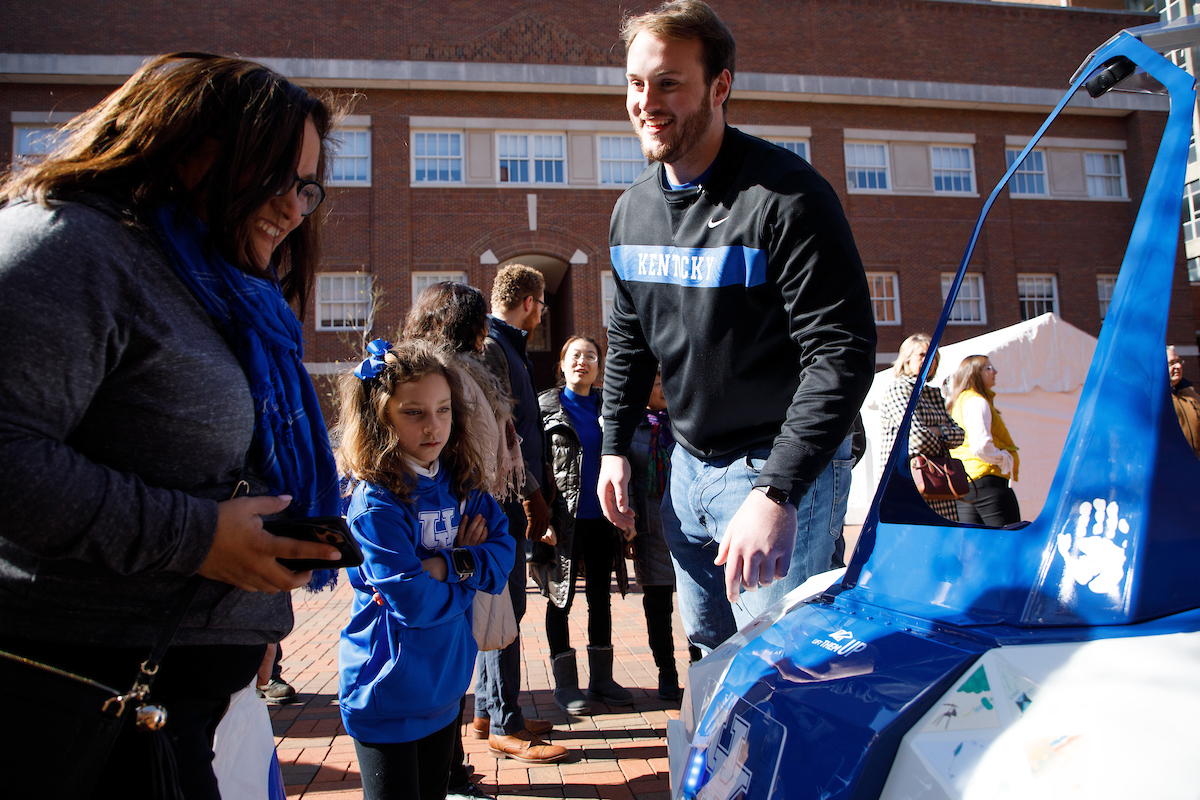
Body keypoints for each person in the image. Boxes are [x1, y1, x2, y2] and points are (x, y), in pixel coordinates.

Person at [0, 53, 345, 799]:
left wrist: (254, 607)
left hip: (183, 703)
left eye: (308, 187)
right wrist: (197, 538)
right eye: (276, 176)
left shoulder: (218, 282)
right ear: (188, 148)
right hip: (76, 705)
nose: (293, 207)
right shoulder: (67, 245)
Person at [599, 1, 876, 654]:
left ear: (720, 85)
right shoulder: (631, 212)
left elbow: (840, 355)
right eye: (637, 83)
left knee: (779, 665)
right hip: (687, 470)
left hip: (776, 472)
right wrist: (614, 443)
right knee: (713, 654)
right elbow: (630, 343)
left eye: (669, 82)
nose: (647, 102)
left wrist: (775, 492)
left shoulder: (788, 198)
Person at [335, 341, 517, 800]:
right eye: (414, 413)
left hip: (447, 686)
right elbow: (412, 603)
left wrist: (447, 563)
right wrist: (469, 575)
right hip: (387, 693)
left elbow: (503, 557)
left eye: (443, 409)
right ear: (383, 419)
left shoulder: (462, 483)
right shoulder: (375, 503)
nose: (433, 426)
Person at [403, 281, 564, 795]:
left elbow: (504, 439)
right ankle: (491, 728)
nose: (483, 332)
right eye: (477, 322)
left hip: (487, 513)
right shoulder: (445, 376)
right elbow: (457, 455)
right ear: (467, 325)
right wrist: (475, 512)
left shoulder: (466, 370)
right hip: (472, 518)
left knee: (486, 621)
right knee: (476, 621)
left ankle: (480, 728)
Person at [474, 264, 564, 764]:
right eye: (543, 302)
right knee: (505, 607)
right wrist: (531, 492)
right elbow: (501, 430)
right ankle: (505, 723)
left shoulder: (510, 347)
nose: (544, 311)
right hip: (502, 498)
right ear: (530, 301)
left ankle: (489, 711)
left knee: (503, 606)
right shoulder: (492, 346)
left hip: (514, 496)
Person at [535, 336, 633, 715]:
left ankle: (602, 680)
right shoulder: (546, 407)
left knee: (600, 600)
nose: (583, 362)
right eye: (575, 355)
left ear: (599, 365)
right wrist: (539, 516)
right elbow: (533, 465)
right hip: (562, 522)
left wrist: (629, 516)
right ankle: (566, 686)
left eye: (590, 356)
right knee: (560, 599)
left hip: (602, 520)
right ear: (562, 363)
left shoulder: (611, 407)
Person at [625, 370, 684, 701]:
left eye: (666, 382)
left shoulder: (687, 423)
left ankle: (702, 664)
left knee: (699, 603)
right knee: (658, 607)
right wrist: (630, 527)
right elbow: (629, 480)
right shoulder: (635, 428)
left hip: (692, 529)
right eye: (656, 383)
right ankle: (667, 673)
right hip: (651, 530)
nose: (662, 389)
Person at [879, 333, 966, 521]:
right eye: (922, 355)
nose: (930, 360)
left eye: (934, 356)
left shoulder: (933, 393)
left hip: (938, 483)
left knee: (943, 542)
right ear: (907, 358)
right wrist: (940, 434)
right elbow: (916, 439)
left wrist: (935, 431)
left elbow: (960, 435)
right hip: (906, 482)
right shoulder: (899, 389)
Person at [946, 355, 1021, 527]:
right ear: (975, 373)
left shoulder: (960, 401)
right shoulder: (976, 401)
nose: (994, 371)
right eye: (988, 368)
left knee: (972, 544)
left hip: (967, 483)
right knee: (1007, 540)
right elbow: (980, 446)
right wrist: (1002, 457)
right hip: (986, 481)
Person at [1167, 345, 1200, 458]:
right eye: (1171, 363)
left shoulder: (1191, 394)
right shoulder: (1155, 399)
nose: (1178, 366)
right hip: (1172, 467)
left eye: (1179, 361)